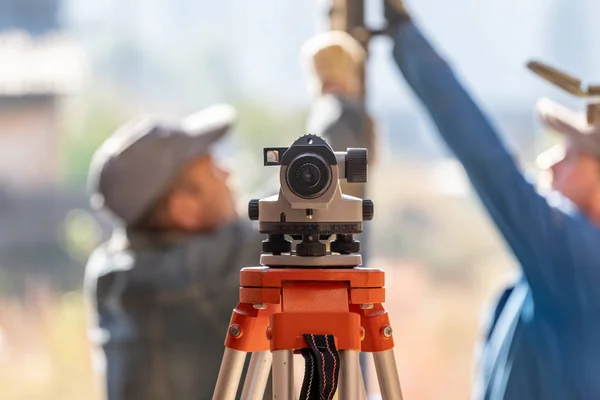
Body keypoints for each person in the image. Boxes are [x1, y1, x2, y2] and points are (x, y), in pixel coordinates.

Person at [384, 4, 600, 400]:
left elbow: (491, 165)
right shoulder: (558, 265)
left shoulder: (581, 259)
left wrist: (406, 39)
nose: (550, 163)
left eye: (571, 155)